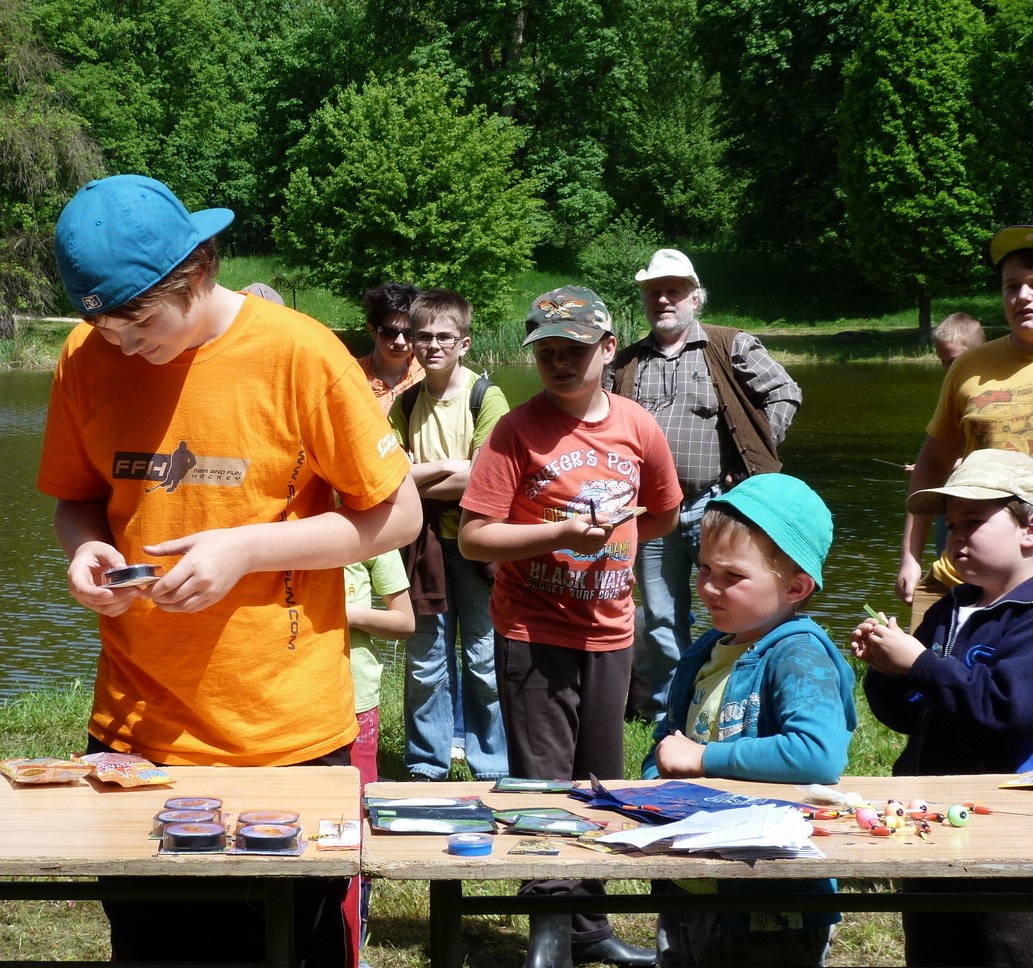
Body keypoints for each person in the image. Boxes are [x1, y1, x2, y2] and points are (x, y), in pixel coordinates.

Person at [36, 173, 419, 964]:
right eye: (104, 326)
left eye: (140, 322)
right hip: (134, 736)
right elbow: (76, 499)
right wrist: (84, 551)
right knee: (154, 949)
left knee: (292, 946)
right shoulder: (86, 355)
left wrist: (247, 550)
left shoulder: (299, 353)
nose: (123, 345)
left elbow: (399, 515)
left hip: (282, 735)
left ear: (200, 269)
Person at [460, 285, 683, 968]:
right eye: (547, 352)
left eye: (574, 351)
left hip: (610, 631)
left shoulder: (638, 426)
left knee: (598, 784)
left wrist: (614, 543)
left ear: (608, 349)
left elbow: (665, 513)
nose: (560, 363)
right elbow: (473, 537)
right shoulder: (514, 430)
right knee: (545, 786)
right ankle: (549, 933)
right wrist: (558, 535)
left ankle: (590, 927)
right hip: (534, 632)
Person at [644, 473, 855, 968]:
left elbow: (818, 755)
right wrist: (655, 788)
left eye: (732, 576)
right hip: (694, 878)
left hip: (769, 895)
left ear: (797, 586)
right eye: (704, 568)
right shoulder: (707, 650)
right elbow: (668, 744)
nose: (708, 587)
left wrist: (703, 759)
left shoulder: (799, 655)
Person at [855, 448, 1033, 967]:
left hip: (1010, 830)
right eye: (951, 524)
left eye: (974, 521)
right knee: (934, 943)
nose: (956, 536)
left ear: (1029, 529)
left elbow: (1006, 710)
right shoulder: (951, 607)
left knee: (1007, 945)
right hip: (933, 812)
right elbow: (912, 716)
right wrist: (890, 672)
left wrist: (920, 664)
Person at [608, 248, 802, 721]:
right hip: (650, 512)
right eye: (654, 292)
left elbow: (785, 392)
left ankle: (742, 705)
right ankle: (671, 714)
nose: (663, 300)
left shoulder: (730, 345)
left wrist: (753, 454)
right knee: (660, 618)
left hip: (718, 503)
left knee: (740, 606)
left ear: (696, 298)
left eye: (673, 291)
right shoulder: (627, 362)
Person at [388, 288, 509, 781]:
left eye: (444, 337)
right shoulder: (405, 402)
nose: (432, 345)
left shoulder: (486, 397)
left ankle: (493, 765)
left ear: (465, 343)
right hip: (423, 547)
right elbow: (387, 478)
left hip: (478, 543)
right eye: (423, 337)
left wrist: (421, 474)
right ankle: (426, 765)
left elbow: (484, 479)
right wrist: (451, 468)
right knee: (425, 660)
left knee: (484, 659)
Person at [897, 224, 1033, 614]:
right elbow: (933, 462)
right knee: (921, 654)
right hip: (961, 579)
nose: (1023, 296)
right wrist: (910, 556)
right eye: (1011, 286)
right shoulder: (969, 366)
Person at [345, 549, 414, 964]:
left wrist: (348, 614)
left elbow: (404, 621)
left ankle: (353, 944)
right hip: (286, 702)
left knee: (354, 827)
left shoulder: (373, 535)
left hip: (356, 702)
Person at [905, 313, 986, 628]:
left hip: (986, 507)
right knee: (949, 555)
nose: (947, 370)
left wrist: (954, 466)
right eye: (943, 362)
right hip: (952, 502)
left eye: (953, 361)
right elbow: (939, 456)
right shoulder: (954, 394)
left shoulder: (986, 391)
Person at [358, 281, 424, 412]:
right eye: (390, 332)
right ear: (372, 330)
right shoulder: (352, 375)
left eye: (409, 333)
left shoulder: (429, 376)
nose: (400, 342)